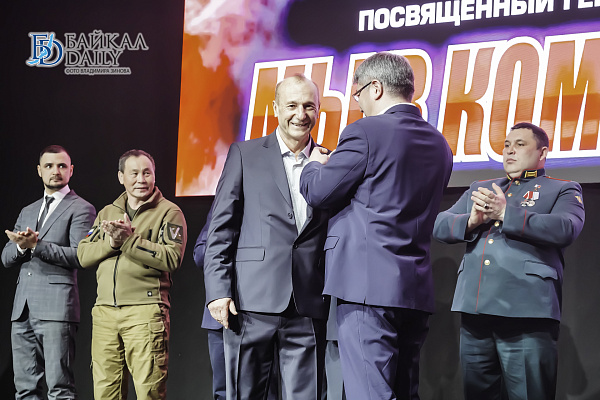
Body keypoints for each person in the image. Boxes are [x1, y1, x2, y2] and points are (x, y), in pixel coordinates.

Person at [300, 52, 453, 400]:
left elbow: (320, 192)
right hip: (414, 290)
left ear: (376, 88)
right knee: (404, 392)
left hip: (366, 288)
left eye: (358, 95)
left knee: (369, 393)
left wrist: (313, 165)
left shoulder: (365, 131)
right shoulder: (439, 143)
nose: (358, 104)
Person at [432, 122, 585, 400]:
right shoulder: (482, 188)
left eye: (520, 144)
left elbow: (566, 228)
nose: (509, 151)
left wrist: (506, 213)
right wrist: (471, 221)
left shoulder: (561, 189)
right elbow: (439, 225)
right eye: (506, 145)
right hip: (475, 312)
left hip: (527, 313)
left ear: (542, 153)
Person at [203, 74, 330, 400]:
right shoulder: (245, 154)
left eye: (309, 106)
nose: (300, 114)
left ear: (318, 110)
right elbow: (221, 227)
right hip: (249, 303)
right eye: (291, 105)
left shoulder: (331, 161)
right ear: (275, 108)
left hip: (307, 303)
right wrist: (218, 291)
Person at [77, 149, 187, 400]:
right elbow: (83, 255)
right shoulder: (107, 212)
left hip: (145, 311)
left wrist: (129, 240)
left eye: (147, 173)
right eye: (134, 173)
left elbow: (172, 258)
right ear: (121, 177)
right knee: (105, 393)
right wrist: (112, 243)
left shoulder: (169, 212)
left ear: (154, 175)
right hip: (105, 312)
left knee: (149, 392)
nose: (141, 179)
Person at [2, 145, 96, 400]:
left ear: (71, 170)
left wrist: (37, 245)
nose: (56, 171)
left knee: (59, 389)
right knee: (25, 390)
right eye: (49, 166)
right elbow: (6, 257)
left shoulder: (82, 208)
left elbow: (80, 255)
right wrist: (21, 247)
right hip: (23, 310)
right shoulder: (28, 210)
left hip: (57, 309)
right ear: (39, 170)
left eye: (62, 166)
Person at [193, 208, 280, 400]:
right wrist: (235, 251)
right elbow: (199, 254)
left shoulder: (268, 208)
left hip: (262, 314)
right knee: (224, 392)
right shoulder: (223, 207)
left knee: (264, 390)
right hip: (221, 320)